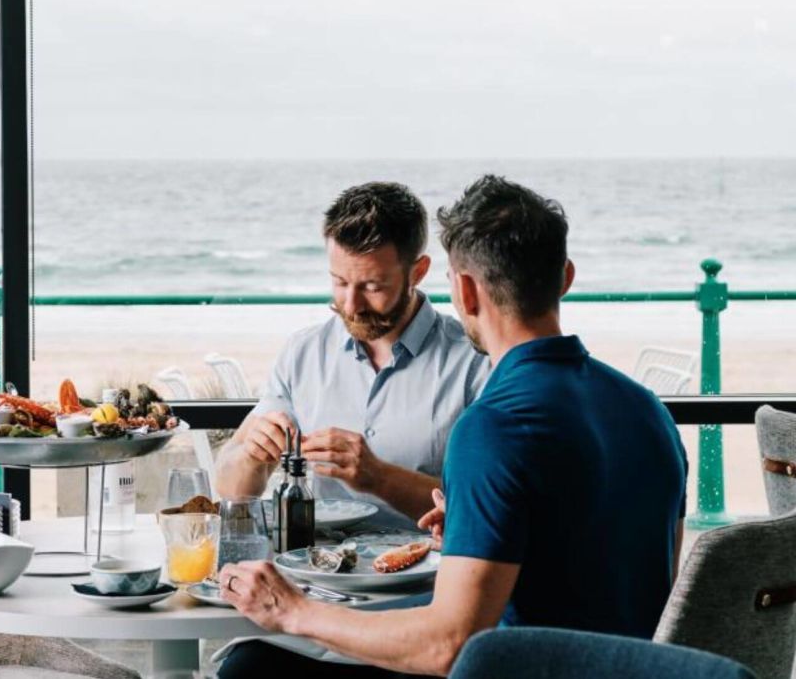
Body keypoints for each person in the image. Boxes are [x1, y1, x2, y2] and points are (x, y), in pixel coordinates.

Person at [216, 175, 688, 677]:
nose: (352, 302)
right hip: (636, 669)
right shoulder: (650, 411)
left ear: (462, 288)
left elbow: (448, 646)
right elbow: (626, 570)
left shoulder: (492, 426)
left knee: (250, 667)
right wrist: (470, 526)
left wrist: (291, 611)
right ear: (565, 277)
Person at [214, 182, 489, 528]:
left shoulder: (475, 362)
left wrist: (379, 477)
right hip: (317, 571)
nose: (351, 305)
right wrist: (252, 457)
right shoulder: (303, 353)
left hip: (430, 578)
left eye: (372, 287)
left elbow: (488, 507)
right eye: (340, 282)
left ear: (417, 272)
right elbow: (230, 487)